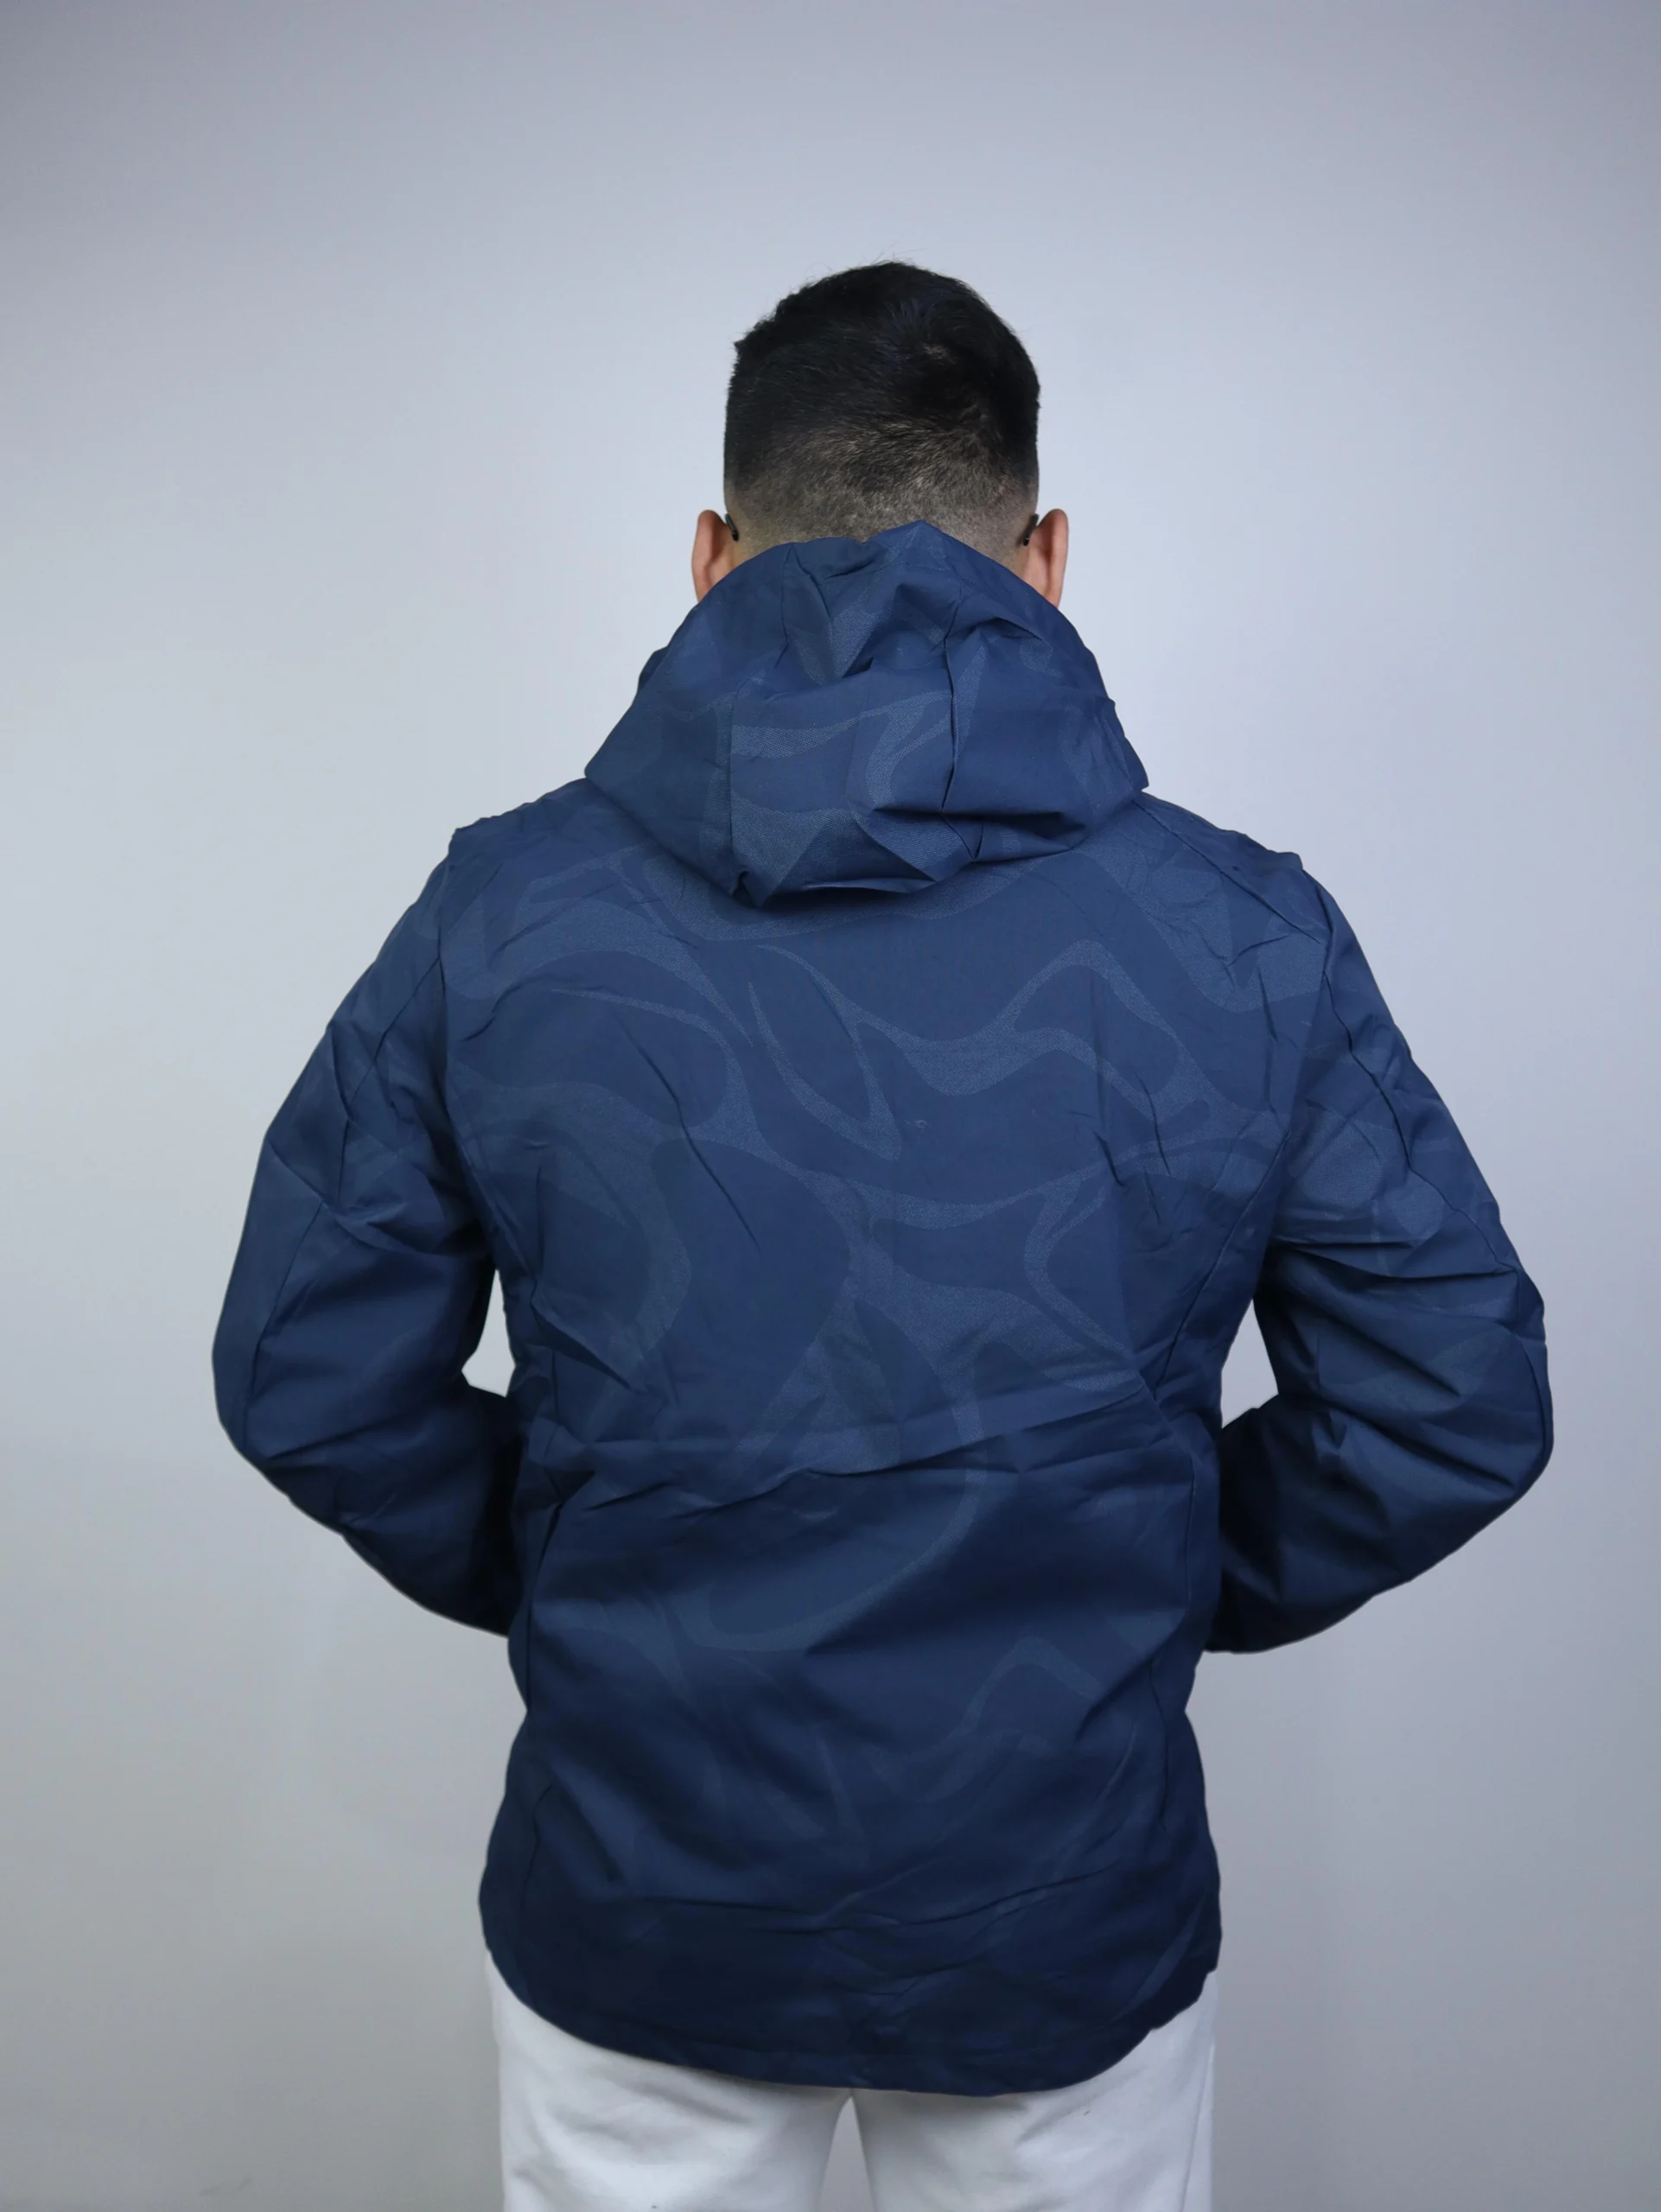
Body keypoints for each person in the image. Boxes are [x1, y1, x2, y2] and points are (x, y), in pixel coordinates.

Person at [213, 263, 1551, 2212]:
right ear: (1048, 558)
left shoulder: (501, 916)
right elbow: (1451, 1396)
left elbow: (308, 1374)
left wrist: (600, 1552)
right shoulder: (1243, 934)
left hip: (646, 1891)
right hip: (1056, 1896)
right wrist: (1134, 1570)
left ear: (706, 555)